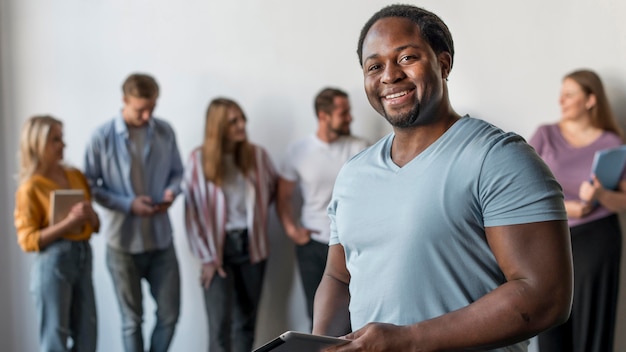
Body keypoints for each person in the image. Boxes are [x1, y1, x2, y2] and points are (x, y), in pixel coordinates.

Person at [312, 4, 574, 352]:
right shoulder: (353, 174)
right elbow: (338, 276)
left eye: (406, 58)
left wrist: (407, 341)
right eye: (374, 66)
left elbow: (546, 296)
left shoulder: (499, 158)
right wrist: (317, 346)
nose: (389, 75)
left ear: (444, 63)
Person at [83, 73, 184, 352]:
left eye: (152, 107)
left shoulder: (165, 131)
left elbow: (178, 174)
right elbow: (89, 186)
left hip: (161, 240)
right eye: (141, 108)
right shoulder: (101, 137)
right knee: (132, 320)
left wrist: (171, 193)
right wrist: (128, 204)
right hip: (122, 244)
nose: (147, 114)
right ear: (124, 100)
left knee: (169, 315)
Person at [529, 69, 625, 352]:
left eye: (570, 94)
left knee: (592, 320)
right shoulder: (545, 135)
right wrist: (566, 207)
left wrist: (601, 195)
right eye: (562, 94)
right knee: (550, 319)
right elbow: (522, 190)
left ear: (591, 100)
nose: (562, 100)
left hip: (597, 238)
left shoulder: (611, 144)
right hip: (551, 238)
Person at [182, 97, 278, 352]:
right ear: (218, 127)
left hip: (251, 246)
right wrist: (207, 258)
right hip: (217, 251)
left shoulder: (257, 156)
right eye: (233, 121)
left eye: (242, 118)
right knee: (219, 326)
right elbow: (192, 214)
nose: (242, 125)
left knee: (246, 323)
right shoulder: (198, 160)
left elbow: (270, 192)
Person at [276, 87, 368, 327]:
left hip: (349, 245)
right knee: (317, 317)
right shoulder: (299, 151)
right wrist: (291, 230)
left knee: (352, 315)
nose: (350, 118)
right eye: (343, 112)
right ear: (323, 116)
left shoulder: (361, 148)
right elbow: (283, 196)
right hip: (312, 244)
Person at [14, 115, 100, 352]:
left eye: (62, 138)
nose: (63, 145)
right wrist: (68, 222)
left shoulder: (75, 176)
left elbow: (95, 225)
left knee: (87, 335)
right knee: (55, 339)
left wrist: (89, 216)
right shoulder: (31, 187)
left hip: (83, 256)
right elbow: (28, 240)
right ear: (37, 144)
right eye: (55, 139)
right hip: (53, 262)